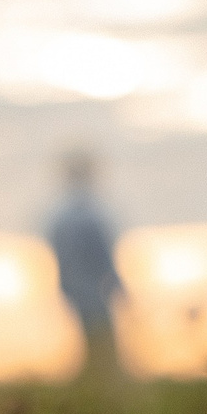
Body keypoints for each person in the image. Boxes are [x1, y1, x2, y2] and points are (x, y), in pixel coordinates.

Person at [46, 150, 125, 380]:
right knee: (104, 351)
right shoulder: (90, 216)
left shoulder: (59, 217)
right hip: (97, 295)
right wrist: (120, 290)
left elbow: (59, 261)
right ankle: (102, 393)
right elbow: (105, 260)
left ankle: (92, 389)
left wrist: (65, 290)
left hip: (73, 293)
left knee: (90, 347)